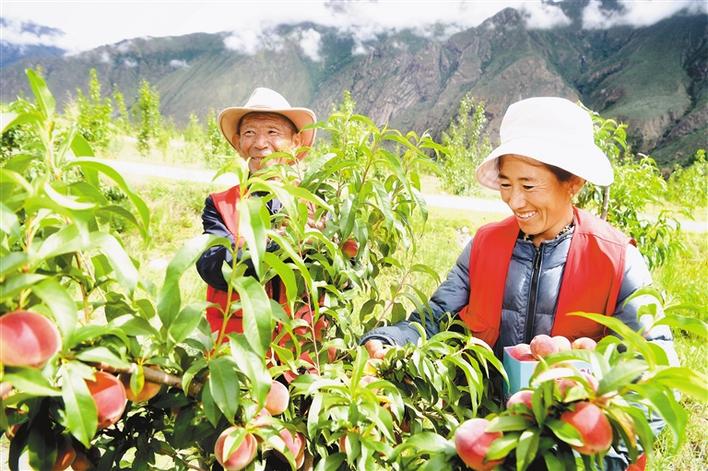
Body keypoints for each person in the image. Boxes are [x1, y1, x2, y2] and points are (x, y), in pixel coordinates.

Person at [360, 97, 676, 469]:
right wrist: (389, 340)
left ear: (573, 182)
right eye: (507, 184)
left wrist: (603, 457)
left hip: (573, 453)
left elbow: (654, 377)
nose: (514, 200)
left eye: (529, 185)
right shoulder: (485, 245)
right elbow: (434, 320)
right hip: (490, 442)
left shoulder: (616, 259)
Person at [196, 87, 317, 334]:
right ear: (239, 143)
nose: (260, 144)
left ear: (295, 143)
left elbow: (343, 278)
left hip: (302, 349)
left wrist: (330, 245)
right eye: (250, 133)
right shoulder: (221, 204)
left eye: (273, 132)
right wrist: (279, 245)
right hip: (238, 346)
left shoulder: (315, 203)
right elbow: (212, 265)